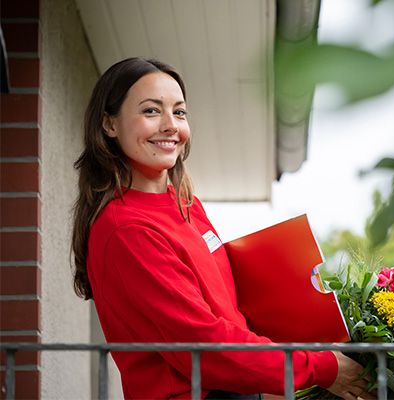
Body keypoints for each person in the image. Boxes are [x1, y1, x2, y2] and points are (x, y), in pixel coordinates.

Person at [71, 57, 372, 400]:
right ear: (110, 124)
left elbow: (232, 308)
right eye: (151, 111)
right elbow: (202, 346)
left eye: (179, 112)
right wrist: (321, 367)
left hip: (238, 389)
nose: (171, 126)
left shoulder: (185, 205)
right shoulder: (127, 229)